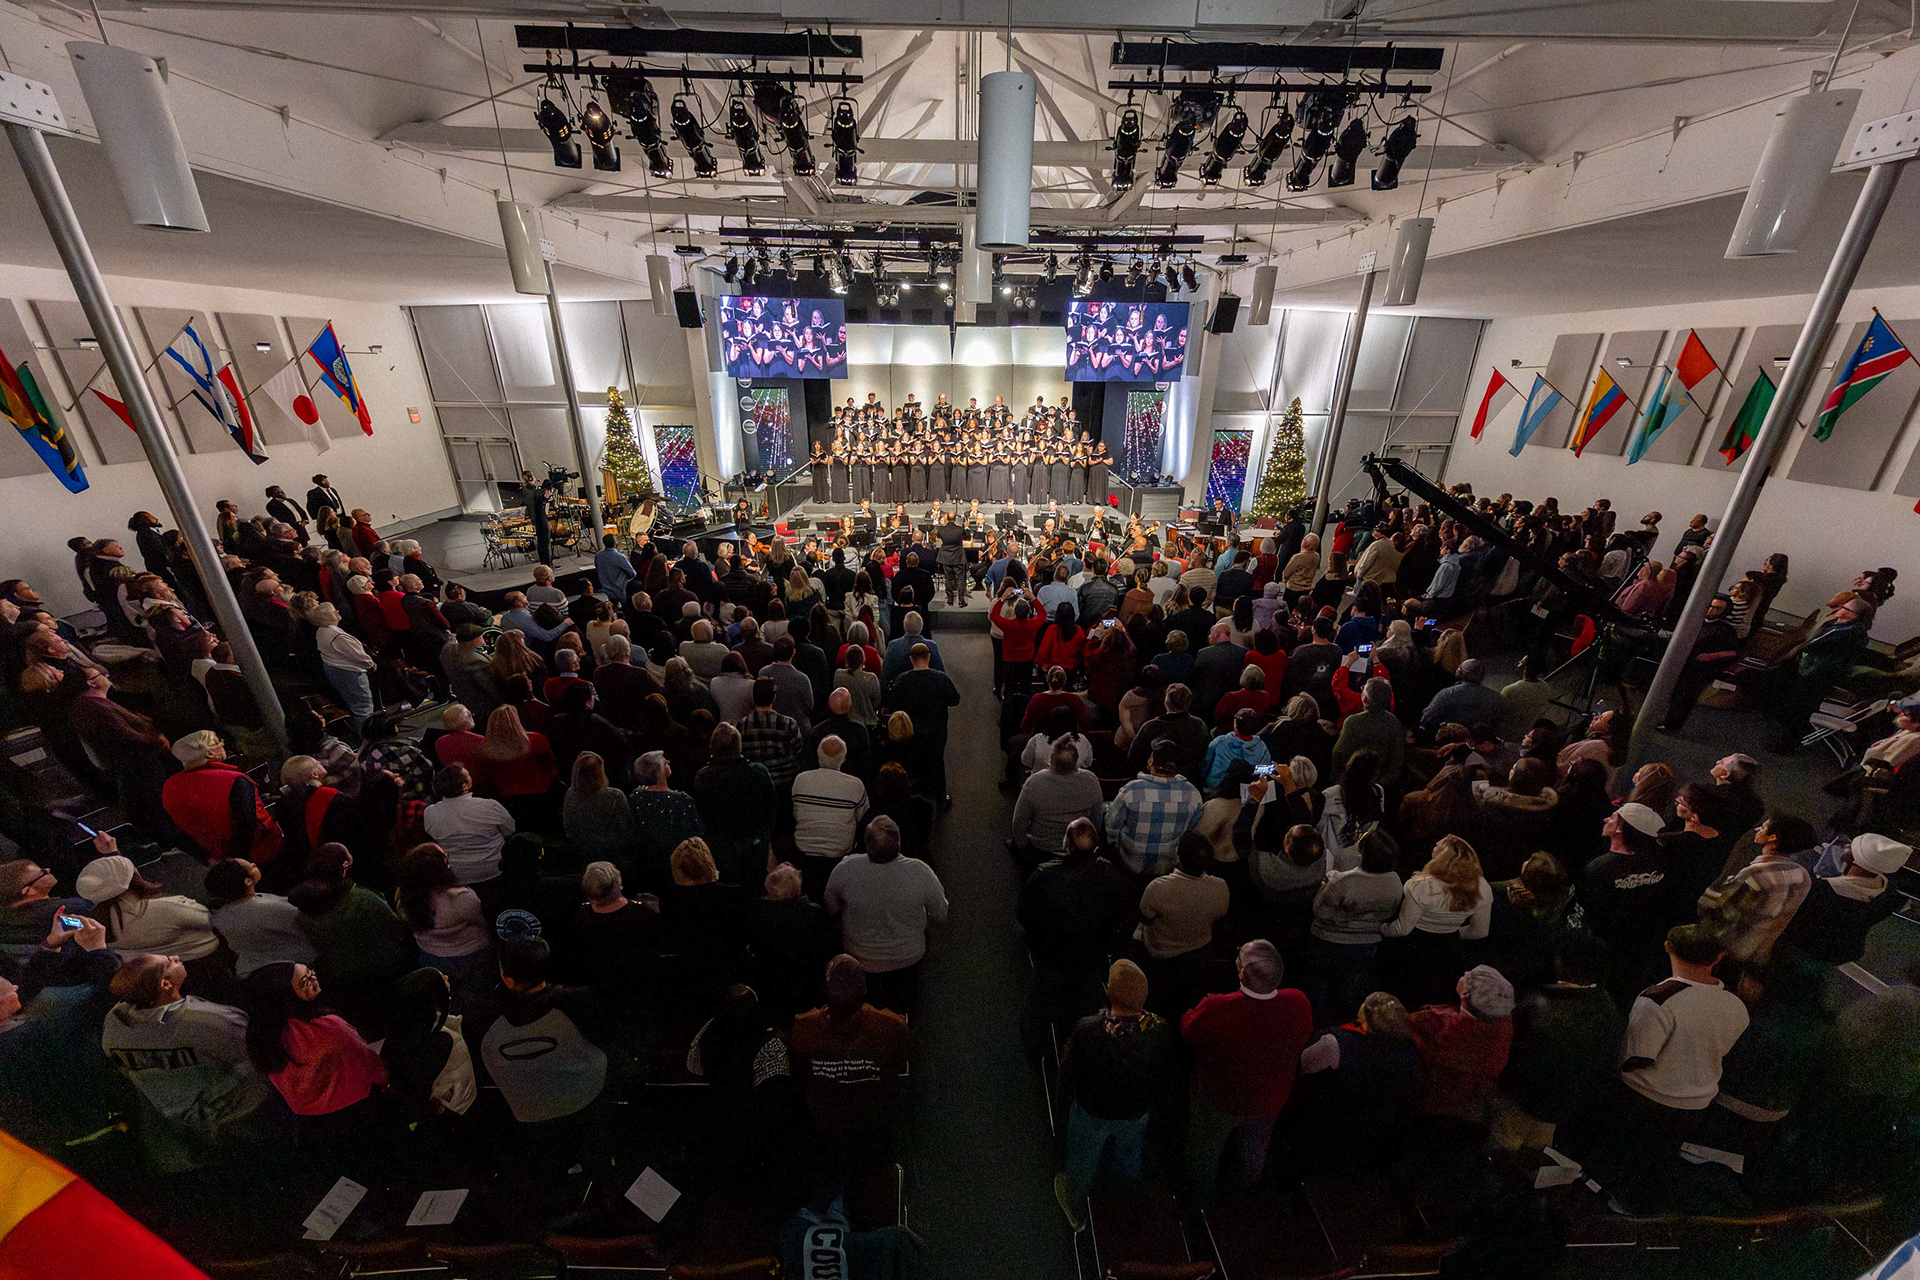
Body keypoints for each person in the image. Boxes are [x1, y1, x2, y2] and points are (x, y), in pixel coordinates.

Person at [1585, 924, 1750, 1205]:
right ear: (1719, 956)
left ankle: (1609, 1203)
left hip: (1644, 1101)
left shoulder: (1657, 999)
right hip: (1695, 1106)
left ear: (1668, 948)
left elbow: (1636, 1059)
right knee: (1656, 1163)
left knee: (1622, 1160)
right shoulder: (1736, 1005)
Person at [101, 953, 283, 1169]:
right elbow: (259, 1057)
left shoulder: (114, 1027)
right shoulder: (211, 1021)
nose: (176, 957)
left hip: (183, 1121)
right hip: (242, 1111)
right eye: (170, 962)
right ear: (165, 984)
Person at [1180, 940, 1313, 1205]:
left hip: (1219, 1098)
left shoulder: (1219, 1007)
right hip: (1271, 1098)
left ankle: (1200, 1206)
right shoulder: (1298, 1002)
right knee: (1254, 1152)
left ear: (1241, 972)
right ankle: (1243, 1205)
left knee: (1204, 1153)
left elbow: (1188, 1029)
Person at [1052, 959, 1177, 1227]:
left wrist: (1062, 1108)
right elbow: (1165, 1072)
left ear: (1109, 992)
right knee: (1129, 1157)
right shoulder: (1159, 1027)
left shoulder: (1088, 1028)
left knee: (1083, 1159)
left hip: (1093, 1111)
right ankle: (1123, 1205)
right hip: (1136, 1112)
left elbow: (1068, 1072)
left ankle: (1076, 1207)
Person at [481, 935, 610, 1180]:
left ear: (508, 978)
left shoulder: (486, 1014)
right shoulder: (579, 1000)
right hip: (584, 1093)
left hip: (527, 1108)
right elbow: (605, 1040)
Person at [1491, 931, 1624, 1151]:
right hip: (1560, 1108)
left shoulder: (1535, 1004)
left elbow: (1508, 1050)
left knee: (1502, 1147)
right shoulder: (1608, 1009)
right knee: (1535, 1155)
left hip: (1519, 1100)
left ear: (1559, 961)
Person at [242, 961, 388, 1140]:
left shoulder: (263, 1037)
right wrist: (388, 1086)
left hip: (312, 1122)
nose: (314, 977)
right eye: (305, 982)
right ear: (286, 997)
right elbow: (368, 1062)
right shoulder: (327, 1027)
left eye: (310, 971)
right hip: (357, 1107)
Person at [790, 954, 911, 1169]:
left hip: (824, 1122)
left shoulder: (803, 1027)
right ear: (864, 990)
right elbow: (897, 1067)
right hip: (873, 1120)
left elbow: (802, 1071)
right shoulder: (893, 1026)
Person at [824, 817, 948, 1015]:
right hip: (908, 958)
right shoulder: (920, 871)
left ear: (867, 844)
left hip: (860, 957)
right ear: (898, 842)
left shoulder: (846, 868)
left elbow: (831, 907)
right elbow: (941, 914)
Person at [1379, 835, 1492, 1009]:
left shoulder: (1421, 886)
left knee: (1405, 992)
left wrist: (1382, 928)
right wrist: (1452, 932)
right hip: (1446, 948)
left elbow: (1402, 928)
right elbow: (1480, 931)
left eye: (1438, 846)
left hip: (1413, 945)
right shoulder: (1482, 887)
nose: (1435, 845)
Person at [1405, 965, 1515, 1125]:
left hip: (1430, 1107)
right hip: (1473, 1111)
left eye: (1469, 977)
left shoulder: (1438, 1025)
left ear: (1465, 995)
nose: (1466, 973)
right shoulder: (1504, 1026)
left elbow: (1403, 1024)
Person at [161, 731, 283, 866]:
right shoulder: (234, 781)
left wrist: (207, 858)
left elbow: (175, 830)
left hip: (218, 858)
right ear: (209, 753)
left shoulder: (169, 787)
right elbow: (248, 824)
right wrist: (242, 861)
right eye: (217, 742)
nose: (222, 744)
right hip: (263, 851)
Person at [394, 842, 491, 1007]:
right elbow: (482, 922)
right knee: (477, 1000)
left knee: (445, 1002)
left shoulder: (404, 897)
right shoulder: (459, 897)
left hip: (431, 957)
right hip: (472, 957)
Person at [1107, 739, 1205, 878]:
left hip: (1130, 866)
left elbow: (1111, 829)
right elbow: (1191, 833)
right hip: (1168, 869)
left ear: (1151, 761)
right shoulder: (1193, 795)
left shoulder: (1131, 791)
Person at [422, 765, 515, 911]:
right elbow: (510, 830)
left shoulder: (430, 813)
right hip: (494, 870)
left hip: (457, 876)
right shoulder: (489, 806)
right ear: (465, 785)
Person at [205, 858, 315, 979]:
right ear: (247, 881)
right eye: (251, 867)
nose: (254, 864)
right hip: (296, 966)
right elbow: (306, 921)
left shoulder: (219, 916)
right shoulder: (270, 908)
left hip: (253, 971)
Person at [1011, 737, 1106, 868]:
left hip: (1041, 849)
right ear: (1076, 760)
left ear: (1052, 760)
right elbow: (1096, 819)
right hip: (1079, 849)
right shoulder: (1091, 780)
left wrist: (1024, 845)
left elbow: (1019, 821)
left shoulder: (1034, 782)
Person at [887, 643, 961, 803]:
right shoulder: (940, 678)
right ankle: (940, 800)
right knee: (937, 763)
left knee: (913, 764)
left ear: (911, 659)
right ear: (929, 657)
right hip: (936, 731)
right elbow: (955, 700)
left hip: (910, 732)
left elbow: (892, 701)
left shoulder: (902, 679)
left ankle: (913, 797)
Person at [792, 736, 871, 883]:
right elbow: (862, 818)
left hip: (803, 853)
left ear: (818, 756)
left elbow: (796, 814)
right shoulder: (855, 785)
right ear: (843, 759)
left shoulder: (800, 780)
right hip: (840, 855)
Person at [563, 751, 635, 864]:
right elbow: (627, 828)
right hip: (615, 854)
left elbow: (569, 827)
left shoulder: (571, 794)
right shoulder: (615, 795)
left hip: (584, 854)